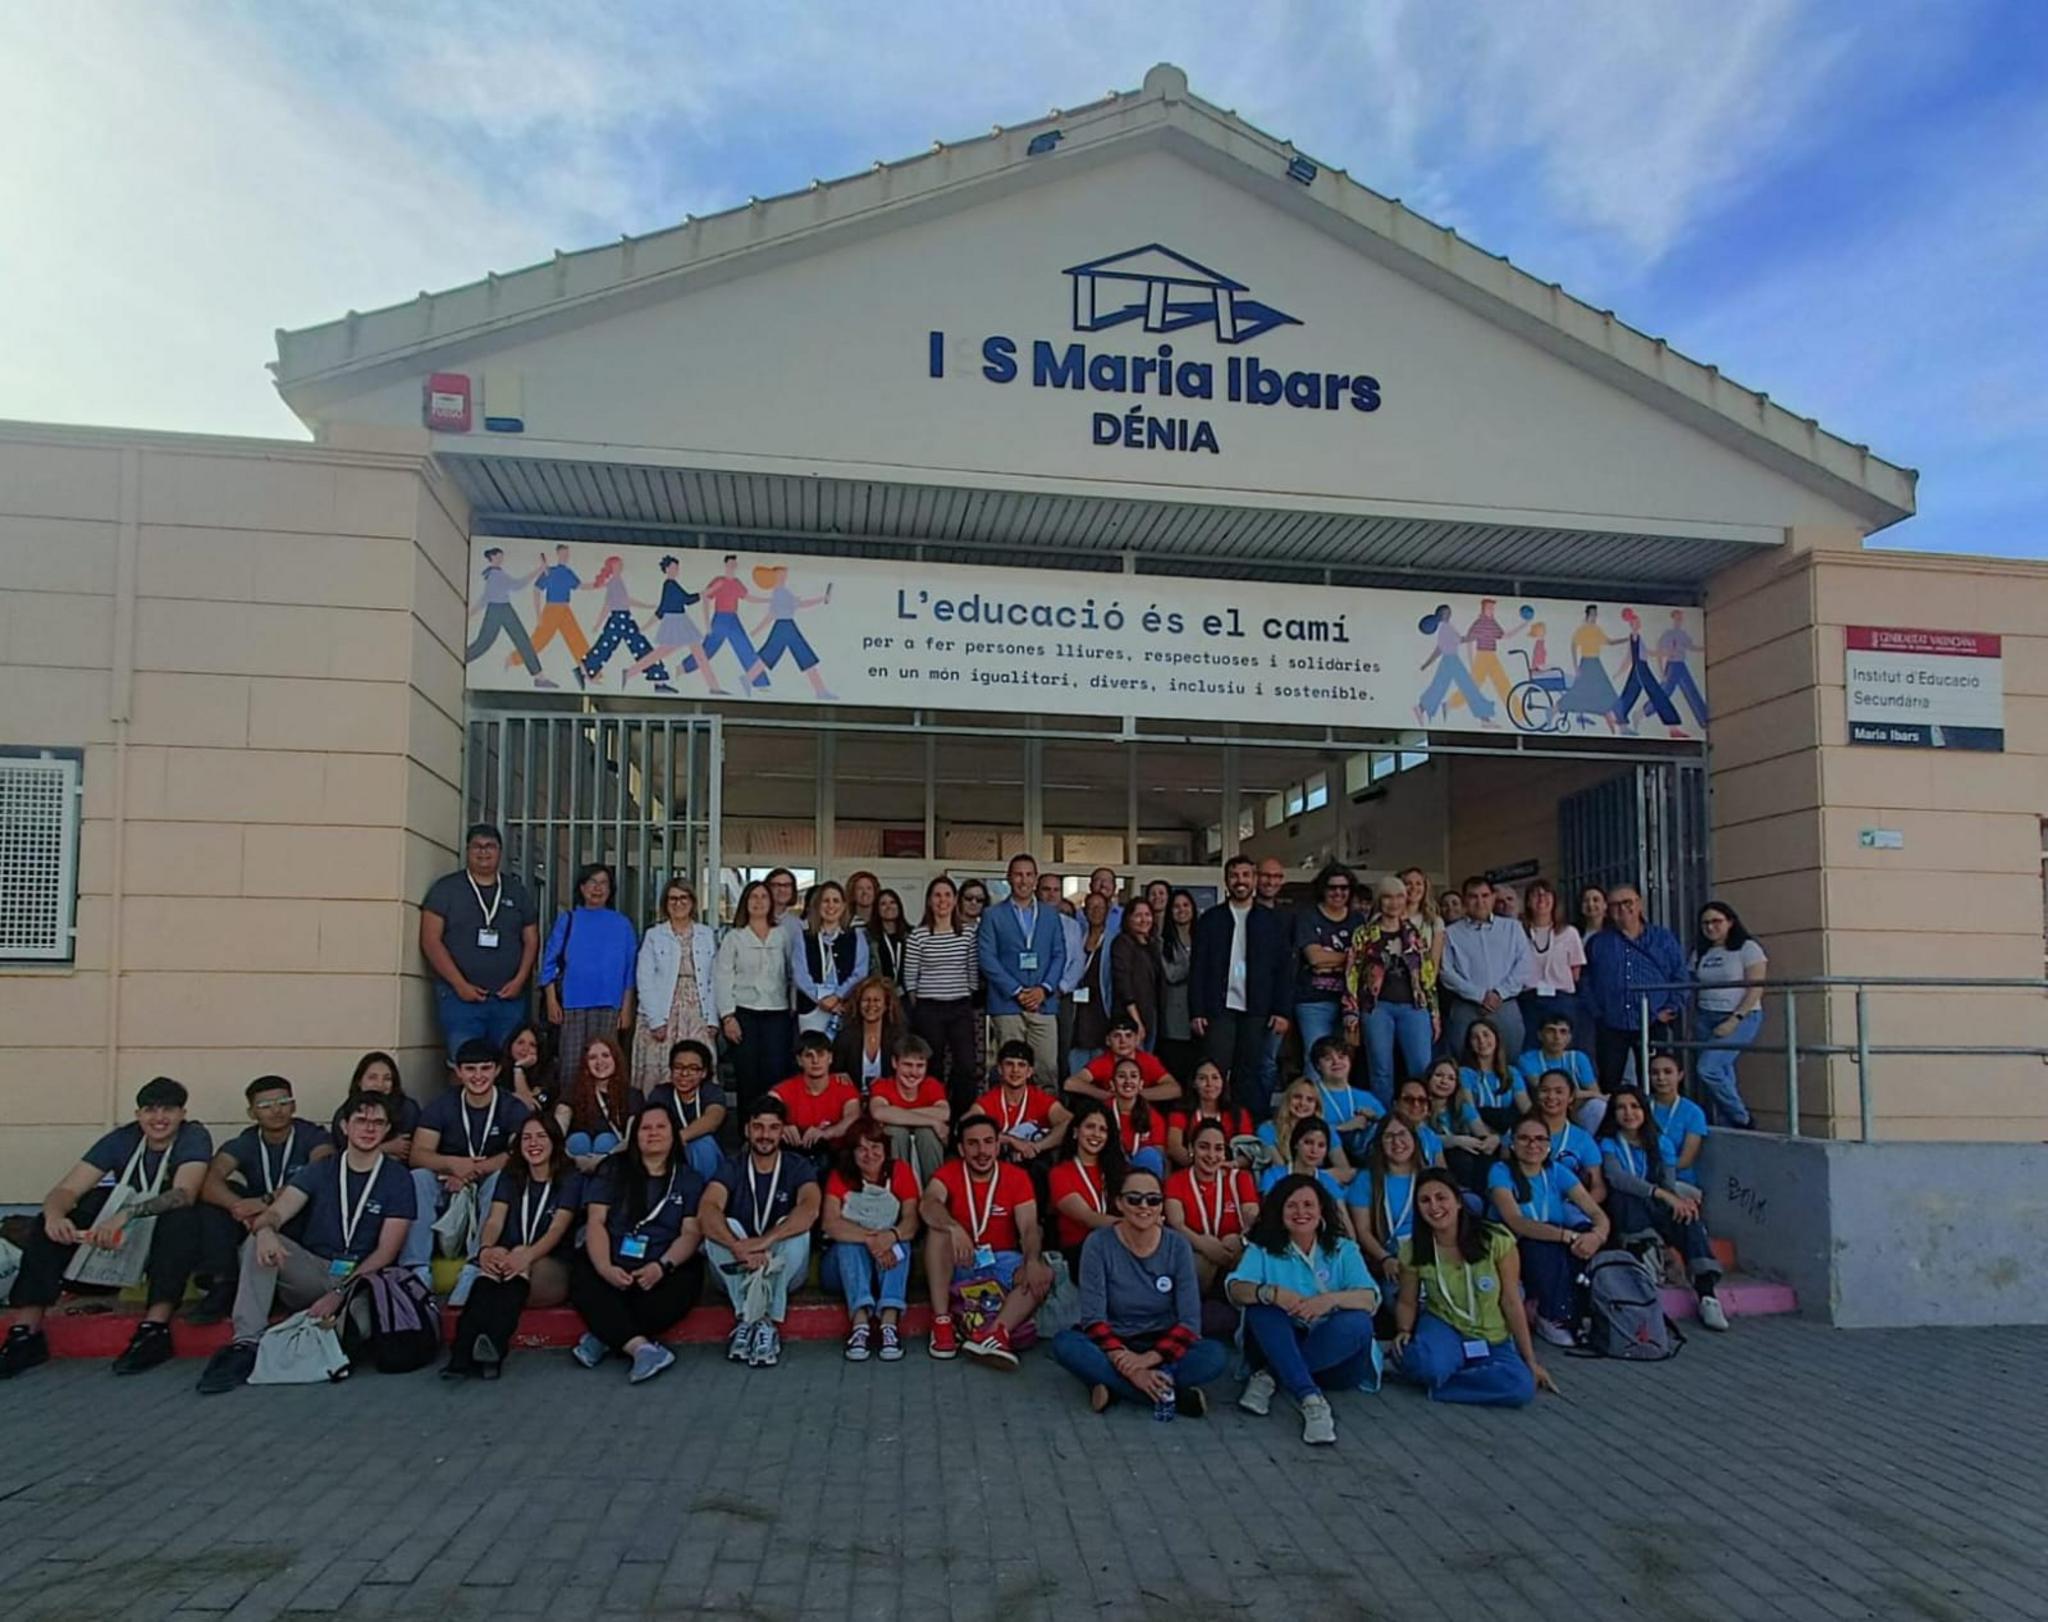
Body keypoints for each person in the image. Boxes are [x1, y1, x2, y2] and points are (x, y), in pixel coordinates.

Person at [196, 1091, 416, 1395]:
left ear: (387, 1129)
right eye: (361, 1121)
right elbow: (275, 1213)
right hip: (316, 1271)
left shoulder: (398, 1178)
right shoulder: (321, 1170)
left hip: (361, 1283)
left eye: (378, 1123)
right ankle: (246, 1343)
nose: (369, 1129)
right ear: (344, 1126)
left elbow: (386, 1252)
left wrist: (340, 1293)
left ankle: (317, 1341)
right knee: (256, 1243)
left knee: (361, 1326)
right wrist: (265, 1231)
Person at [3, 1077, 211, 1380]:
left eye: (168, 1110)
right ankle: (26, 1333)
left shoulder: (194, 1136)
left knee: (181, 1220)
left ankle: (155, 1328)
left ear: (182, 1113)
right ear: (138, 1114)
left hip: (159, 1226)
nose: (159, 1118)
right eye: (150, 1110)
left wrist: (128, 1215)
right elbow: (66, 1189)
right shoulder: (121, 1139)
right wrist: (54, 1217)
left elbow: (184, 1193)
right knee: (49, 1224)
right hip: (119, 1232)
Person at [1053, 1165, 1229, 1416]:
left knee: (1214, 1356)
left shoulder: (1178, 1246)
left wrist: (1145, 1361)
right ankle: (1170, 1395)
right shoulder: (1098, 1243)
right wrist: (1129, 1366)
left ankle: (1115, 1388)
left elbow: (1190, 1322)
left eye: (1153, 1199)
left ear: (1161, 1205)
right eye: (1134, 1199)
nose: (1144, 1206)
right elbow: (1093, 1318)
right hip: (1115, 1342)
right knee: (1065, 1344)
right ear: (1119, 1203)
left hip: (1161, 1342)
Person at [1225, 1174, 1381, 1446]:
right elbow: (1235, 1289)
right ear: (1279, 1211)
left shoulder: (1344, 1249)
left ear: (1321, 1210)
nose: (1301, 1213)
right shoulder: (1263, 1249)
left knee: (1357, 1322)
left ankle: (1272, 1375)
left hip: (1334, 1359)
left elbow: (1369, 1298)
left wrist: (1329, 1300)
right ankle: (1310, 1400)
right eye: (1292, 1205)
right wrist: (1271, 1293)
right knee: (1261, 1310)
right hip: (1282, 1339)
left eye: (1308, 1205)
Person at [568, 1106, 708, 1383]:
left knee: (684, 1282)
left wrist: (661, 1266)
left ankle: (606, 1336)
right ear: (635, 1136)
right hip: (614, 1260)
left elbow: (690, 1233)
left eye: (660, 1127)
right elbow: (596, 1221)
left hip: (661, 1265)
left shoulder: (688, 1179)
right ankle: (641, 1348)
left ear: (673, 1134)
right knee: (584, 1276)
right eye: (645, 1128)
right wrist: (606, 1267)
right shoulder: (613, 1169)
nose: (653, 1133)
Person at [1393, 1169, 1554, 1405]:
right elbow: (1407, 1300)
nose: (1434, 1206)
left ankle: (1443, 1385)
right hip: (1444, 1326)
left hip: (1491, 1335)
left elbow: (1511, 1301)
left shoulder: (1497, 1240)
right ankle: (1438, 1368)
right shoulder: (1412, 1249)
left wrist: (1530, 1361)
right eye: (1425, 1201)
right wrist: (1404, 1330)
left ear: (1458, 1202)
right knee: (1431, 1366)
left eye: (1441, 1197)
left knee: (1521, 1386)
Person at [445, 1112, 580, 1379]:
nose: (533, 1143)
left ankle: (492, 1345)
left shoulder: (570, 1178)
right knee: (492, 1264)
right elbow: (495, 1220)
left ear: (554, 1141)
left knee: (515, 1258)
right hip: (514, 1260)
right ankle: (463, 1355)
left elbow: (557, 1230)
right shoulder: (510, 1175)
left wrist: (526, 1256)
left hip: (552, 1266)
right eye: (527, 1138)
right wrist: (485, 1249)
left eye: (541, 1136)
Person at [191, 1075, 334, 1324]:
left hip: (297, 1220)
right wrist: (240, 1208)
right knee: (215, 1205)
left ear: (294, 1105)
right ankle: (224, 1283)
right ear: (251, 1112)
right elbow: (209, 1181)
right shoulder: (246, 1141)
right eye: (265, 1106)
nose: (276, 1110)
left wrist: (267, 1201)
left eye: (283, 1102)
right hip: (257, 1220)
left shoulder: (313, 1136)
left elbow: (321, 1171)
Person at [698, 1097, 823, 1366]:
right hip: (737, 1269)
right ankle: (751, 1318)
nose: (765, 1135)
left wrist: (764, 1243)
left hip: (781, 1266)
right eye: (758, 1127)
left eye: (773, 1128)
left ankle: (760, 1321)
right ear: (747, 1130)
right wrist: (736, 1247)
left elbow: (810, 1208)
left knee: (795, 1228)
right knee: (722, 1226)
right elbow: (708, 1208)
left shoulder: (797, 1166)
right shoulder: (732, 1166)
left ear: (783, 1131)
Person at [920, 1114, 1053, 1366]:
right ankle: (942, 1322)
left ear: (997, 1145)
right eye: (973, 1143)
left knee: (1042, 1272)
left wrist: (1032, 1260)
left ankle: (995, 1334)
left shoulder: (1016, 1176)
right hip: (962, 1260)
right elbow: (928, 1203)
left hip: (1001, 1260)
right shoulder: (948, 1172)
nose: (982, 1151)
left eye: (988, 1142)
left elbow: (1028, 1227)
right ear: (961, 1148)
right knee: (937, 1231)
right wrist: (953, 1227)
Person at [405, 1039, 532, 1299]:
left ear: (497, 1071)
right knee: (418, 1178)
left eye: (485, 1068)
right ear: (459, 1072)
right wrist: (453, 1165)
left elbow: (520, 1152)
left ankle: (474, 1266)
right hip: (446, 1182)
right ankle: (417, 1268)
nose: (478, 1076)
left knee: (501, 1178)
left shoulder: (511, 1107)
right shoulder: (442, 1105)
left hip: (484, 1183)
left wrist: (475, 1169)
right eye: (470, 1069)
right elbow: (418, 1155)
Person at [1596, 1087, 1728, 1330]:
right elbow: (1617, 1178)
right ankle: (1648, 1265)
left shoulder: (1661, 1142)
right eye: (1621, 1107)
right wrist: (1663, 1195)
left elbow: (1667, 1182)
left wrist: (1679, 1201)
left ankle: (1707, 1294)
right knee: (1628, 1199)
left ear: (1645, 1111)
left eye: (1635, 1107)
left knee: (1688, 1217)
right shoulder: (1608, 1143)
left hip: (1654, 1205)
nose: (1629, 1113)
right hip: (1623, 1210)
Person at [1487, 1117, 1610, 1346]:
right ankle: (1550, 1314)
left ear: (1549, 1144)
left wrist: (1597, 1235)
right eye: (1524, 1138)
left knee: (1583, 1243)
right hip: (1517, 1241)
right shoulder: (1500, 1171)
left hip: (1554, 1236)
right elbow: (1516, 1221)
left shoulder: (1556, 1171)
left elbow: (1597, 1214)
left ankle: (1581, 1313)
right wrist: (1566, 1236)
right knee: (1544, 1247)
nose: (1533, 1145)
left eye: (1540, 1139)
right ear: (1512, 1143)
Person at [420, 824, 539, 1058]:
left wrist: (519, 980)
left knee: (507, 1062)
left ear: (500, 852)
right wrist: (460, 984)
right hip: (459, 998)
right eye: (477, 846)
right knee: (464, 1060)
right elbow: (430, 940)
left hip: (508, 999)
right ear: (467, 850)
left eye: (490, 847)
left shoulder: (516, 891)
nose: (483, 852)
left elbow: (532, 940)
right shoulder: (447, 889)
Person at [1190, 856, 1293, 1116]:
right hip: (1219, 1007)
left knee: (1250, 1071)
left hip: (1257, 1008)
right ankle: (1213, 1123)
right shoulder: (1210, 920)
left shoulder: (1272, 922)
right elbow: (1198, 969)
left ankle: (1246, 1125)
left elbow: (1284, 971)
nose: (1241, 881)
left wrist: (1282, 1011)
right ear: (1226, 881)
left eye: (1246, 875)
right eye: (1235, 876)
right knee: (1215, 1070)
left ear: (1255, 879)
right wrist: (1197, 1011)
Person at [822, 1118, 920, 1362]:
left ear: (885, 1149)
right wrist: (872, 1240)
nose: (870, 1154)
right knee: (847, 1242)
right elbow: (831, 1223)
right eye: (862, 1149)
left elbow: (911, 1221)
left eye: (875, 1147)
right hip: (843, 1268)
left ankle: (889, 1322)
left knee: (902, 1245)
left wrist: (891, 1236)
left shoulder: (900, 1171)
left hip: (886, 1263)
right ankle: (860, 1324)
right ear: (851, 1152)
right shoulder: (839, 1176)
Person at [1342, 874, 1439, 1106]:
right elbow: (1352, 975)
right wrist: (1350, 1012)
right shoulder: (1364, 934)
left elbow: (1427, 976)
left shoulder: (1414, 934)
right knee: (1381, 1070)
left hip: (1414, 1007)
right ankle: (1382, 1122)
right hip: (1377, 1008)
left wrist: (1434, 1013)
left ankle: (1420, 1121)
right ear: (1379, 900)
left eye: (1398, 897)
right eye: (1387, 897)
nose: (1393, 902)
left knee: (1421, 1067)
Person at [1582, 884, 1688, 1093]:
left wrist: (1671, 1008)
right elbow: (1585, 981)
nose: (1622, 908)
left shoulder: (1662, 938)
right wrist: (1597, 1012)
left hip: (1653, 1020)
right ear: (1608, 910)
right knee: (1610, 1082)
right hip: (1612, 1023)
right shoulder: (1598, 943)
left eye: (1628, 902)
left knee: (1659, 1081)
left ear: (1639, 904)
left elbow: (1681, 975)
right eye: (1615, 904)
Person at [980, 853, 1067, 1088]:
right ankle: (1010, 1120)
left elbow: (1059, 954)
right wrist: (1017, 990)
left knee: (1047, 1069)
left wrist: (1044, 989)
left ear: (1036, 879)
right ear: (1009, 878)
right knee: (1011, 1070)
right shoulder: (992, 915)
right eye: (1018, 874)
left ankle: (1047, 1122)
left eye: (1029, 875)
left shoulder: (1050, 915)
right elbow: (987, 958)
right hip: (1007, 1003)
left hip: (1043, 1003)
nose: (1023, 880)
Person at [538, 863, 638, 1067]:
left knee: (605, 1065)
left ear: (610, 890)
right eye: (592, 882)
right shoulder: (567, 920)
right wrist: (551, 999)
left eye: (603, 883)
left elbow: (629, 971)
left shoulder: (622, 924)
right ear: (582, 888)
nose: (597, 888)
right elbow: (549, 962)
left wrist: (626, 1008)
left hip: (610, 1004)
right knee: (572, 1064)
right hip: (572, 1004)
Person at [632, 877, 720, 1095]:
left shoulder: (707, 934)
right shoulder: (654, 935)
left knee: (697, 1065)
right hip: (661, 1010)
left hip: (697, 1010)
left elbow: (714, 979)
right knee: (660, 1072)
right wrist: (655, 1021)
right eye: (672, 899)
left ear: (692, 902)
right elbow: (644, 978)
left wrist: (712, 1019)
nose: (678, 903)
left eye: (683, 898)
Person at [715, 879, 793, 1113]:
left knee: (775, 1075)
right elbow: (723, 978)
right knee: (747, 1076)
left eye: (763, 897)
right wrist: (728, 1017)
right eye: (753, 897)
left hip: (777, 1014)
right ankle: (747, 1135)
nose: (759, 902)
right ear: (745, 902)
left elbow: (791, 974)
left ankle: (774, 1129)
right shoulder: (734, 937)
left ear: (771, 902)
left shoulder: (782, 935)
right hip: (744, 1014)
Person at [903, 875, 979, 1115]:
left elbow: (972, 972)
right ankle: (933, 1114)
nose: (942, 900)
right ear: (929, 901)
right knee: (932, 1064)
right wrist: (923, 1005)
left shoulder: (967, 934)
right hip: (928, 1009)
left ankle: (961, 1116)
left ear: (955, 900)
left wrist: (966, 997)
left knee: (966, 1065)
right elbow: (910, 979)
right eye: (937, 895)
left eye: (947, 895)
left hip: (960, 1007)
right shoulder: (918, 936)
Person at [1439, 874, 1533, 1060]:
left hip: (1505, 1004)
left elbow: (1524, 964)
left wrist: (1499, 993)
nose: (1479, 901)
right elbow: (1446, 972)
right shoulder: (1450, 933)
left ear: (1492, 898)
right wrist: (1479, 995)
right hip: (1466, 1005)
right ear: (1465, 900)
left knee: (1511, 1058)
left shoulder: (1513, 928)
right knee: (1464, 1060)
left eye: (1484, 895)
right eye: (1473, 896)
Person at [1692, 900, 1767, 1127]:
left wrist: (1736, 1018)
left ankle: (1741, 1118)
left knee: (1708, 1069)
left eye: (1716, 921)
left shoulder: (1747, 948)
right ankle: (1728, 1123)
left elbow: (1756, 986)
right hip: (1706, 1015)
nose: (1711, 927)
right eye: (1705, 923)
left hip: (1738, 1016)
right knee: (1723, 1070)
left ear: (1730, 922)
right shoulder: (1700, 952)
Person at [1164, 1120, 1259, 1295]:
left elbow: (1252, 1217)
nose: (1211, 1155)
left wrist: (1241, 1239)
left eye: (1218, 1148)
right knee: (1199, 1262)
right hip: (1197, 1258)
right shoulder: (1176, 1181)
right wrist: (1204, 1245)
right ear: (1191, 1148)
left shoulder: (1240, 1178)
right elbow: (1177, 1224)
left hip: (1233, 1255)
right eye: (1204, 1147)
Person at [623, 554, 726, 695]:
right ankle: (629, 672)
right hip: (675, 623)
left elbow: (664, 608)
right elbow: (684, 601)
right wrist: (711, 590)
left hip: (681, 621)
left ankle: (714, 687)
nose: (676, 570)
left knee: (697, 652)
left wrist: (645, 626)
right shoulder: (670, 585)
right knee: (662, 653)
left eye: (677, 567)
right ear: (666, 569)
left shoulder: (672, 584)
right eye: (673, 567)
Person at [1046, 1100, 1126, 1277]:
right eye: (1090, 1127)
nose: (1096, 1134)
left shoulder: (1118, 1170)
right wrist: (1134, 1226)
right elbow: (1087, 1218)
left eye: (1103, 1129)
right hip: (1080, 1250)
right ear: (1075, 1132)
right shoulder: (1059, 1173)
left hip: (1119, 1242)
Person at [1292, 863, 1358, 1075]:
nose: (1338, 893)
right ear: (1322, 889)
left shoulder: (1358, 920)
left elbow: (1366, 961)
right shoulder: (1308, 916)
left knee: (1343, 1063)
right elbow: (1315, 958)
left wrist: (1330, 961)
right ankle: (1312, 1107)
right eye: (1332, 887)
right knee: (1316, 1060)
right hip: (1313, 1000)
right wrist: (1350, 958)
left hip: (1350, 1003)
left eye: (1344, 888)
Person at [1346, 1115, 1424, 1294]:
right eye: (1389, 1136)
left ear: (1414, 1139)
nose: (1397, 1141)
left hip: (1427, 1252)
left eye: (1402, 1134)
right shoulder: (1366, 1179)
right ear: (1380, 1143)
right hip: (1391, 1257)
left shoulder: (1428, 1176)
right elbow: (1362, 1231)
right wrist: (1385, 1258)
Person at [867, 1035, 951, 1185]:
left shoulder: (931, 1084)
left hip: (928, 1144)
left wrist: (896, 1113)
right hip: (894, 1144)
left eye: (920, 1066)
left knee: (927, 1133)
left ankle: (933, 1194)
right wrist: (932, 1121)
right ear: (895, 1063)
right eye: (907, 1065)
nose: (913, 1072)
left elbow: (944, 1112)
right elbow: (879, 1112)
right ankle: (901, 1189)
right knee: (895, 1131)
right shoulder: (883, 1085)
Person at [1518, 878, 1588, 1056]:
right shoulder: (1518, 932)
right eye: (1535, 895)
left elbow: (1576, 971)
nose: (1541, 899)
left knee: (1563, 1048)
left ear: (1555, 900)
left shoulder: (1569, 933)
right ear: (1527, 901)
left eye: (1546, 894)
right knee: (1531, 1046)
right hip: (1529, 998)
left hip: (1562, 998)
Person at [791, 879, 869, 1038]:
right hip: (812, 1007)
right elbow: (799, 974)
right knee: (813, 1056)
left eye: (836, 901)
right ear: (817, 905)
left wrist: (838, 996)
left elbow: (860, 972)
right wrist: (821, 999)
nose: (830, 906)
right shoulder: (803, 936)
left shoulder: (855, 936)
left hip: (844, 1007)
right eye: (825, 901)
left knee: (843, 1057)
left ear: (844, 906)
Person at [975, 1039, 1071, 1165]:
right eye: (1009, 1064)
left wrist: (1038, 1147)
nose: (1015, 1070)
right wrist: (1011, 1141)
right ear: (999, 1069)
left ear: (1029, 1072)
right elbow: (968, 1127)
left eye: (1021, 1065)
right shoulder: (990, 1099)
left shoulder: (1038, 1097)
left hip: (1034, 1163)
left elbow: (1069, 1122)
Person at [467, 546, 551, 687]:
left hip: (505, 608)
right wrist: (539, 570)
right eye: (499, 556)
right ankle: (461, 658)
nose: (501, 559)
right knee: (484, 643)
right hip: (497, 610)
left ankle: (539, 676)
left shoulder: (495, 574)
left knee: (522, 641)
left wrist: (470, 614)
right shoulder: (495, 575)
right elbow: (517, 585)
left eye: (502, 557)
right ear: (492, 558)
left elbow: (485, 598)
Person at [645, 1039, 729, 1179]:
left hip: (708, 1158)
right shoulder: (660, 1093)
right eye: (678, 1067)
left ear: (704, 1072)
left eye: (693, 1068)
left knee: (702, 1145)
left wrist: (680, 1138)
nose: (684, 1074)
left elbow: (713, 1119)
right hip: (670, 1156)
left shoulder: (712, 1091)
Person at [770, 1030, 863, 1155]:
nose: (815, 1061)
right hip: (794, 1155)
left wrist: (826, 1133)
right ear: (799, 1060)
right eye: (809, 1055)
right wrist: (780, 1127)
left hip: (834, 1155)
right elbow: (764, 1114)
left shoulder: (844, 1087)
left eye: (820, 1054)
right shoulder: (783, 1090)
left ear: (830, 1058)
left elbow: (853, 1117)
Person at [559, 1036, 642, 1172]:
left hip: (613, 1160)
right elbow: (558, 1131)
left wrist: (601, 1159)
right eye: (592, 1057)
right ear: (585, 1063)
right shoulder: (572, 1092)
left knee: (606, 1140)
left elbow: (629, 1140)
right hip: (575, 1161)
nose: (600, 1062)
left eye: (605, 1055)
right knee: (578, 1140)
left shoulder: (632, 1095)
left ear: (616, 1059)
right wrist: (574, 1159)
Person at [1526, 1069, 1606, 1203]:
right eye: (1545, 1090)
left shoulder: (1582, 1139)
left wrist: (1583, 1208)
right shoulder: (1518, 1131)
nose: (1551, 1096)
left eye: (1559, 1092)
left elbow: (1598, 1186)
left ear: (1571, 1097)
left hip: (1569, 1209)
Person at [1256, 1118, 1351, 1229]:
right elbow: (1268, 1215)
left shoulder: (1328, 1182)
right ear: (1296, 1143)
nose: (1314, 1150)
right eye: (1308, 1142)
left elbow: (1345, 1224)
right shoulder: (1273, 1175)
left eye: (1321, 1145)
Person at [1258, 1078, 1356, 1185]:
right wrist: (1317, 1174)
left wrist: (1316, 1175)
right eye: (1297, 1097)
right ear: (1287, 1100)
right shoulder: (1267, 1129)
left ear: (1316, 1106)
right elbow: (1282, 1172)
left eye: (1309, 1100)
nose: (1302, 1103)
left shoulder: (1326, 1130)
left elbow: (1345, 1172)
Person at [1421, 1057, 1498, 1192]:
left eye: (1451, 1078)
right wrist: (1456, 1141)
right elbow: (1420, 1136)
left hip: (1466, 1156)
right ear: (1428, 1078)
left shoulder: (1462, 1106)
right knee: (1459, 1156)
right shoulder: (1419, 1105)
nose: (1444, 1081)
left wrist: (1491, 1139)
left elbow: (1480, 1129)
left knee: (1486, 1157)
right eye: (1439, 1075)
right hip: (1436, 1158)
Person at [1302, 1036, 1384, 1161]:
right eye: (1328, 1059)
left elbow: (1392, 1127)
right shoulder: (1309, 1095)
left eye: (1341, 1057)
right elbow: (1299, 1130)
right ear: (1318, 1065)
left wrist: (1375, 1117)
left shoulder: (1366, 1097)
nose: (1336, 1062)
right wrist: (1342, 1128)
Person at [1514, 1012, 1602, 1128]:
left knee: (1598, 1106)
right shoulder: (1528, 1059)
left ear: (1569, 1038)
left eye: (1563, 1032)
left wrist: (1592, 1095)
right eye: (1551, 1031)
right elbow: (1547, 1089)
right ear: (1540, 1035)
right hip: (1543, 1112)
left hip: (1574, 1110)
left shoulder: (1578, 1058)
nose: (1557, 1037)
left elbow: (1595, 1092)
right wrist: (1589, 1094)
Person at [1064, 1017, 1179, 1105]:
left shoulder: (1148, 1060)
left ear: (1136, 1040)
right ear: (1108, 1041)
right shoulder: (1103, 1061)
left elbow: (1175, 1089)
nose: (1123, 1041)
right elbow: (1071, 1084)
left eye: (1128, 1035)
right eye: (1117, 1036)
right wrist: (1108, 1096)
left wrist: (1131, 1094)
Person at [1062, 892, 1115, 1079]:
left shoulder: (1113, 940)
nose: (1095, 911)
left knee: (1100, 1069)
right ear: (1083, 911)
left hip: (1101, 1009)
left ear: (1108, 911)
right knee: (1074, 1062)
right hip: (1077, 1011)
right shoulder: (1077, 936)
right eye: (1091, 907)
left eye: (1100, 907)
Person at [1164, 1059, 1254, 1169]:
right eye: (1202, 1078)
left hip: (1228, 1171)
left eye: (1215, 1078)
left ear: (1223, 1081)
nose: (1209, 1083)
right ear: (1194, 1083)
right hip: (1190, 1170)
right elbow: (1174, 1147)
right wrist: (1202, 1168)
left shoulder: (1238, 1114)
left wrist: (1229, 1165)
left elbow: (1249, 1152)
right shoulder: (1180, 1112)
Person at [331, 1051, 419, 1160]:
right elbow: (345, 1153)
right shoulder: (345, 1113)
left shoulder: (407, 1109)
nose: (380, 1084)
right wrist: (386, 1148)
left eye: (387, 1079)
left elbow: (404, 1149)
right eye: (373, 1078)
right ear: (359, 1081)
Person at [1646, 1051, 1711, 1196]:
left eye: (1668, 1072)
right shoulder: (1641, 1106)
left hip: (1678, 1182)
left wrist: (1657, 1170)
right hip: (1643, 1179)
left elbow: (1685, 1160)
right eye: (1655, 1073)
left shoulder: (1693, 1112)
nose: (1661, 1078)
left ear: (1680, 1075)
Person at [1156, 888, 1201, 1088]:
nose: (1181, 910)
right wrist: (1198, 961)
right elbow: (1171, 974)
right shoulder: (1161, 941)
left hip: (1203, 1015)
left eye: (1185, 905)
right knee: (1177, 1069)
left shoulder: (1203, 936)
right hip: (1175, 1017)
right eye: (1176, 906)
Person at [831, 975, 906, 1094]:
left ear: (887, 1005)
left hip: (888, 1100)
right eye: (866, 1000)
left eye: (876, 1000)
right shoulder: (845, 1037)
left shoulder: (898, 1037)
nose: (871, 1005)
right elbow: (835, 1071)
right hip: (852, 1099)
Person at [1109, 895, 1164, 1049]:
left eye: (1147, 915)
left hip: (1150, 1015)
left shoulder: (1152, 945)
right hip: (1129, 1019)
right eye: (1138, 915)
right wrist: (1136, 1020)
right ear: (1128, 919)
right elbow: (1123, 983)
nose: (1144, 920)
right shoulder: (1122, 943)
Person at [1459, 1017, 1528, 1133]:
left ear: (1496, 1038)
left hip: (1508, 1133)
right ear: (1470, 1044)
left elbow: (1525, 1107)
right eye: (1475, 1037)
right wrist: (1486, 1136)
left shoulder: (1512, 1072)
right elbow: (1468, 1110)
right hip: (1477, 1133)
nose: (1481, 1041)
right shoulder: (1464, 1073)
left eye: (1486, 1035)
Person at [1102, 1057, 1167, 1178]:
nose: (1128, 1081)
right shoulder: (1101, 1111)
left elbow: (1158, 1156)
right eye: (1121, 1076)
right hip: (1108, 1170)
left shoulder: (1153, 1116)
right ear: (1112, 1084)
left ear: (1141, 1084)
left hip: (1140, 1176)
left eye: (1133, 1076)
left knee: (1150, 1156)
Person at [1389, 1077, 1449, 1168]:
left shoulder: (1430, 1135)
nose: (1416, 1104)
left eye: (1422, 1100)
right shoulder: (1384, 1132)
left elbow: (1441, 1172)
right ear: (1395, 1104)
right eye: (1408, 1099)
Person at [503, 1022, 556, 1118]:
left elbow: (529, 1107)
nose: (525, 1049)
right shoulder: (498, 1071)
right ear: (510, 1045)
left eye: (532, 1045)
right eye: (520, 1043)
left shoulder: (547, 1073)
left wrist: (518, 1069)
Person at [1398, 867, 1446, 970]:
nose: (1413, 888)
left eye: (1418, 884)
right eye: (1408, 883)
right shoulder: (1391, 918)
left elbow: (1434, 964)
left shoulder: (1435, 921)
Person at [867, 888, 911, 990]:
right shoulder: (868, 937)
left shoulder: (911, 935)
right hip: (879, 993)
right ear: (876, 909)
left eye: (892, 902)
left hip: (908, 995)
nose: (889, 907)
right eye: (883, 904)